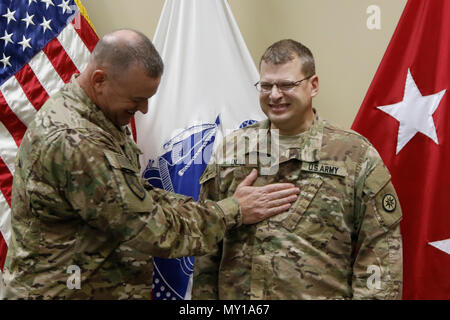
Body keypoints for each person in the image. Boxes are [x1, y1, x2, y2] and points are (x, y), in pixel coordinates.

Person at [0, 30, 301, 300]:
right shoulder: (76, 140)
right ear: (99, 80)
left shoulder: (97, 115)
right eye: (137, 99)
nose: (142, 109)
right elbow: (149, 229)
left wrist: (216, 205)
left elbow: (137, 192)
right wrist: (232, 211)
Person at [192, 39, 403, 300]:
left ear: (313, 85)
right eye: (266, 85)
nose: (274, 95)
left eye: (287, 85)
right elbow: (208, 247)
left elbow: (380, 251)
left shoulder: (355, 155)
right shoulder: (232, 150)